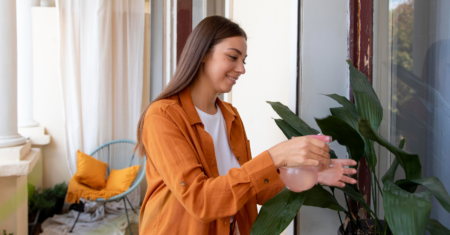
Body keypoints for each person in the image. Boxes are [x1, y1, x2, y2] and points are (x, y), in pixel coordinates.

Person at [135, 15, 357, 235]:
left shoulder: (230, 116)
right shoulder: (162, 116)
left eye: (244, 60)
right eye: (233, 57)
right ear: (202, 54)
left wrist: (311, 172)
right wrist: (276, 155)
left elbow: (252, 190)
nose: (242, 69)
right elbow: (201, 200)